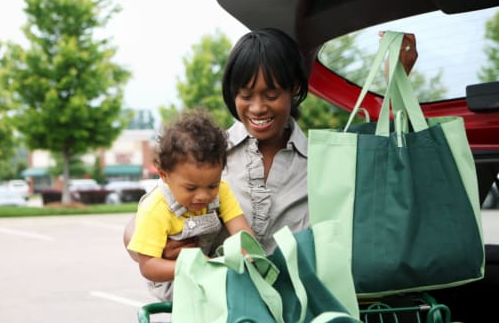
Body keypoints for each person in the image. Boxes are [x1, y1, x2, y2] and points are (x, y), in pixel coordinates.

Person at [124, 28, 418, 296]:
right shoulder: (205, 156)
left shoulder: (322, 161)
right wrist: (159, 247)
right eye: (245, 95)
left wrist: (394, 81)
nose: (257, 107)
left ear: (293, 89)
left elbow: (383, 165)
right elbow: (145, 221)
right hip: (217, 307)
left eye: (271, 94)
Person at [126, 108, 254, 299]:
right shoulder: (156, 208)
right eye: (191, 188)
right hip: (173, 279)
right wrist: (194, 264)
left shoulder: (222, 190)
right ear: (165, 176)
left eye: (212, 185)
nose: (202, 196)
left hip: (210, 268)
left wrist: (248, 252)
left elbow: (240, 229)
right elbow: (148, 266)